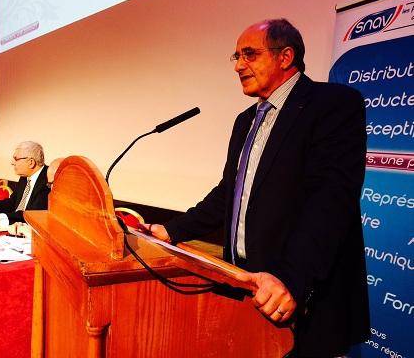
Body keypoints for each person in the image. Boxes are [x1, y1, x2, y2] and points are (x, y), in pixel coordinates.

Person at [146, 19, 370, 357]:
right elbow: (229, 193)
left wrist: (290, 278)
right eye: (236, 56)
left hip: (294, 292)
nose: (238, 65)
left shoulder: (333, 104)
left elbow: (330, 200)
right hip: (242, 284)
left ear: (285, 56)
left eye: (250, 54)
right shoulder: (244, 120)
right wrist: (171, 230)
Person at [0, 141, 50, 229]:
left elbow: (32, 214)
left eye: (16, 159)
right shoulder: (24, 177)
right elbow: (11, 204)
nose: (12, 162)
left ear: (31, 162)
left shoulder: (47, 180)